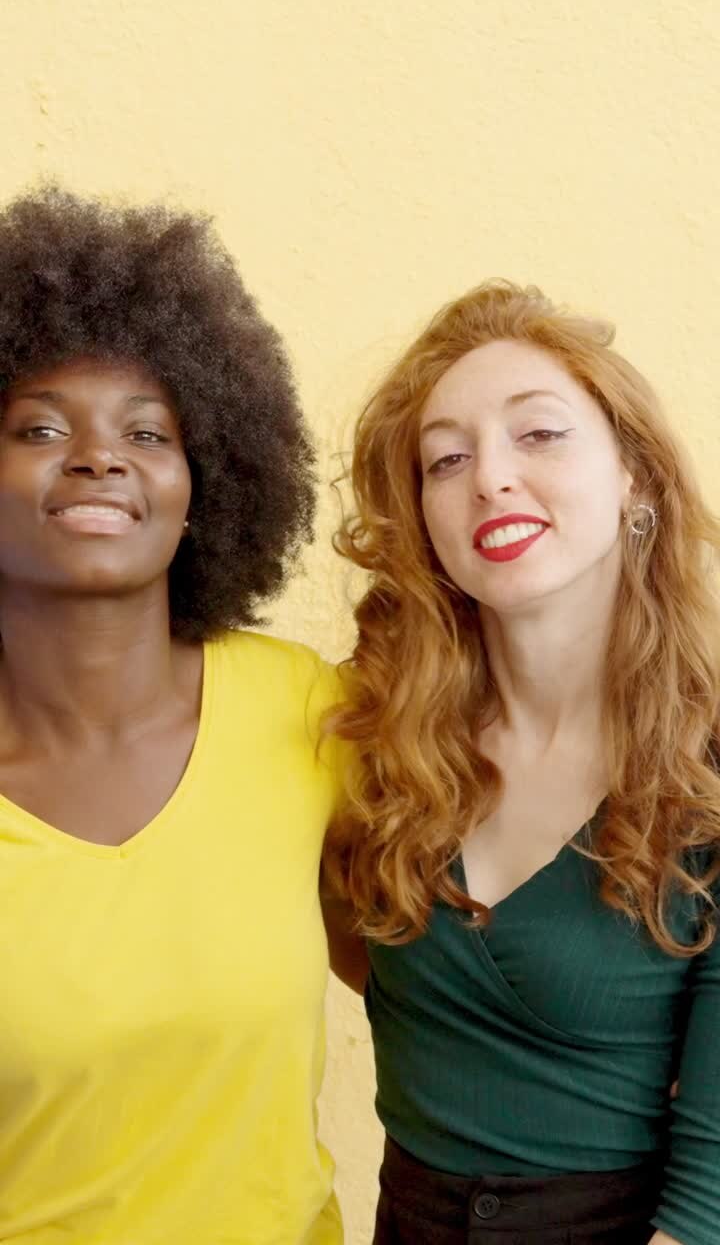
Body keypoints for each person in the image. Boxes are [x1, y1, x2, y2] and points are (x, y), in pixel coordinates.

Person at [322, 281, 720, 1245]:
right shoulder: (369, 736)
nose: (490, 478)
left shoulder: (706, 767)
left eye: (538, 435)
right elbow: (355, 948)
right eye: (446, 458)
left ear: (636, 474)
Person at [0, 186, 342, 1244]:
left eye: (147, 431)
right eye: (40, 426)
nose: (99, 455)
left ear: (208, 485)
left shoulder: (308, 713)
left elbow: (469, 974)